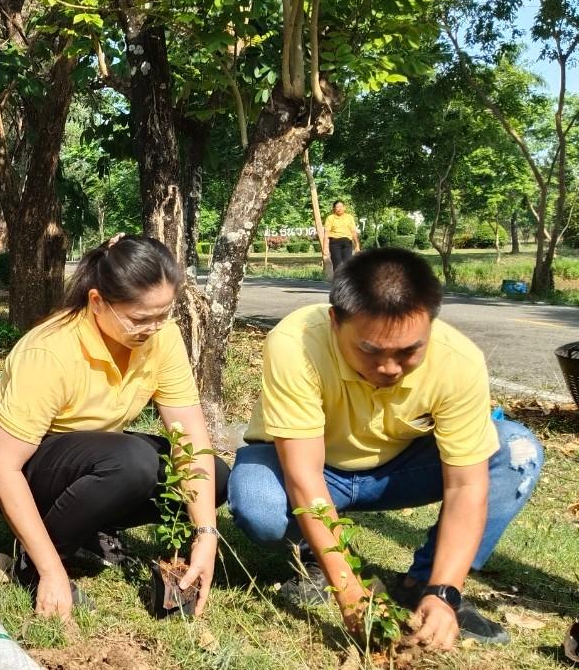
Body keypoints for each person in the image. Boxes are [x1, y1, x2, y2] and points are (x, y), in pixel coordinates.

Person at [229, 248, 543, 648]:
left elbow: (467, 485)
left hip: (398, 471)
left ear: (431, 324)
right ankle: (315, 559)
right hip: (314, 468)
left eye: (409, 351)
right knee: (259, 502)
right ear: (334, 322)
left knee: (516, 449)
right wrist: (349, 591)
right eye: (371, 351)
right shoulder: (296, 344)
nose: (390, 367)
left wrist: (445, 590)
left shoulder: (459, 361)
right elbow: (304, 476)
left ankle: (424, 584)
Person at [0, 235, 227, 620]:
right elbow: (1, 464)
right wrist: (50, 570)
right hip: (22, 465)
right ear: (97, 302)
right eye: (140, 318)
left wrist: (206, 534)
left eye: (163, 314)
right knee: (133, 463)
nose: (153, 328)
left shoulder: (162, 336)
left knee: (216, 477)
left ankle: (88, 531)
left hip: (93, 456)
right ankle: (36, 561)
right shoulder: (51, 350)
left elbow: (191, 436)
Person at [323, 200, 359, 272]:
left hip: (347, 243)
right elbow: (326, 234)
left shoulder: (349, 217)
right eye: (337, 207)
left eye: (341, 206)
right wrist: (325, 248)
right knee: (337, 264)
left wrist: (357, 245)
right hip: (335, 243)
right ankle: (337, 281)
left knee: (348, 264)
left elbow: (353, 232)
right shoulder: (330, 218)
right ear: (334, 209)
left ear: (344, 208)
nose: (339, 208)